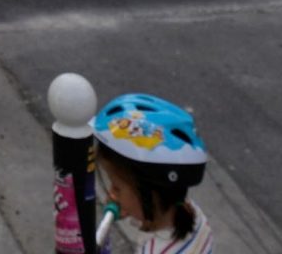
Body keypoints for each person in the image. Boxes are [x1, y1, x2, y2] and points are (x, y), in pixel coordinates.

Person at [90, 91, 217, 252]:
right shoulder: (193, 215)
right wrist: (131, 209)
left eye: (117, 187)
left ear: (148, 192)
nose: (112, 192)